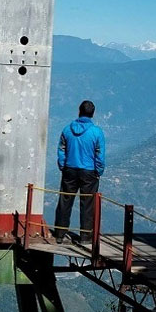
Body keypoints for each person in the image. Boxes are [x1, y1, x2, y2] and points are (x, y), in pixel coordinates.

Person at [54, 100, 106, 244]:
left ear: (79, 111)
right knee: (87, 203)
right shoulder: (96, 132)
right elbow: (99, 154)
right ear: (93, 114)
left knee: (65, 201)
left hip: (69, 169)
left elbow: (61, 149)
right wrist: (99, 171)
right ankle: (85, 237)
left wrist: (63, 165)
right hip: (89, 172)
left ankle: (59, 234)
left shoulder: (67, 129)